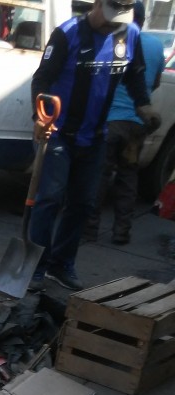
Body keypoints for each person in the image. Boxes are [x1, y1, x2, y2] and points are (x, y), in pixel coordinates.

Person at [27, 0, 160, 292]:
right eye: (111, 16)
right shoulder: (68, 33)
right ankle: (35, 266)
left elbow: (135, 75)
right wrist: (39, 117)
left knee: (84, 202)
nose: (115, 23)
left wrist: (144, 106)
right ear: (97, 4)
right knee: (49, 199)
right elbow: (43, 79)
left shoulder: (129, 34)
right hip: (60, 133)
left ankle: (61, 264)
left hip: (96, 135)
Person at [86, 1, 166, 245]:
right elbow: (154, 83)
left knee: (99, 175)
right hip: (137, 124)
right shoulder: (155, 45)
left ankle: (89, 228)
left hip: (111, 121)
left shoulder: (115, 38)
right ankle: (122, 231)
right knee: (128, 177)